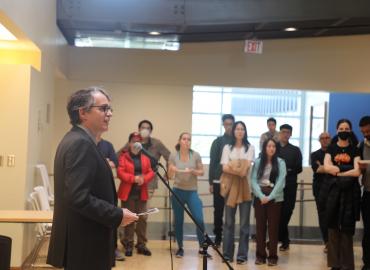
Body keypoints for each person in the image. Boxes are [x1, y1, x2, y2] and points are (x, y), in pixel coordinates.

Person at [47, 87, 138, 270]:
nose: (110, 113)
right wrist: (117, 214)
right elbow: (78, 197)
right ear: (83, 113)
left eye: (110, 109)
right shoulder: (80, 143)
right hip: (85, 243)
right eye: (103, 109)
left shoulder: (79, 140)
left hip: (85, 240)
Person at [323, 119, 361, 270]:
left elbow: (357, 171)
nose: (343, 130)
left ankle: (347, 265)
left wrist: (338, 171)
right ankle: (334, 264)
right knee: (332, 228)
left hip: (350, 195)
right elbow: (327, 167)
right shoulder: (331, 148)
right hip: (333, 193)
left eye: (346, 128)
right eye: (341, 128)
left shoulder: (355, 150)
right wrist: (347, 170)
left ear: (350, 131)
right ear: (337, 130)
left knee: (346, 230)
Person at [168, 132, 210, 258]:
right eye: (184, 139)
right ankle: (180, 247)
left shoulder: (195, 155)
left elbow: (201, 172)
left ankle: (202, 247)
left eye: (189, 139)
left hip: (192, 191)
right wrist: (172, 170)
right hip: (177, 191)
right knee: (179, 221)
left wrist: (193, 171)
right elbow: (169, 176)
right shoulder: (173, 155)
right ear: (179, 141)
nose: (187, 141)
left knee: (199, 219)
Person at [220, 121, 255, 264]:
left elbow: (245, 170)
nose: (240, 131)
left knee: (244, 224)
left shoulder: (250, 147)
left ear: (245, 132)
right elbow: (224, 168)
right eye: (237, 129)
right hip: (230, 187)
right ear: (233, 131)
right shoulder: (227, 147)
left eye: (242, 129)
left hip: (246, 187)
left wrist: (233, 165)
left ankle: (242, 255)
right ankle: (227, 254)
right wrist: (238, 167)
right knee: (228, 222)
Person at [117, 132, 155, 257]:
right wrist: (134, 179)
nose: (135, 143)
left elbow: (151, 172)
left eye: (138, 141)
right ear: (129, 143)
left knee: (143, 218)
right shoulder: (124, 157)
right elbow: (120, 173)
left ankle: (141, 244)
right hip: (128, 194)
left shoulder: (146, 158)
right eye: (133, 141)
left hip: (142, 193)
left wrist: (144, 178)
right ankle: (128, 244)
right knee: (130, 219)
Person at [251, 138, 286, 266]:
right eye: (269, 146)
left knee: (273, 228)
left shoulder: (281, 162)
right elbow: (253, 180)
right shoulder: (258, 162)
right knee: (260, 227)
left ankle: (273, 256)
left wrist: (269, 197)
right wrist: (261, 196)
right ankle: (260, 255)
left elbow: (281, 182)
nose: (271, 148)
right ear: (264, 148)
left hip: (275, 198)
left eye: (273, 146)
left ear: (276, 149)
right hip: (260, 197)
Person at [117, 119, 170, 198]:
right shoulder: (132, 142)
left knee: (145, 209)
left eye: (148, 128)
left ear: (151, 131)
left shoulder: (157, 143)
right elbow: (118, 155)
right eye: (143, 128)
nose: (145, 130)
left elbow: (169, 157)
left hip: (149, 182)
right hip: (131, 182)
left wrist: (167, 174)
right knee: (131, 209)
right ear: (139, 130)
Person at [97, 135, 125, 261]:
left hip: (106, 186)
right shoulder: (85, 143)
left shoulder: (107, 145)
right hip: (91, 187)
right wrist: (105, 161)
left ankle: (113, 249)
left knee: (111, 217)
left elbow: (115, 163)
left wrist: (105, 162)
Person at [208, 114, 235, 246]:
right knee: (218, 211)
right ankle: (218, 237)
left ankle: (229, 238)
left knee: (231, 212)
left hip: (234, 182)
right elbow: (213, 162)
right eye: (226, 124)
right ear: (223, 125)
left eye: (231, 124)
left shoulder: (238, 141)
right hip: (218, 181)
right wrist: (211, 182)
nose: (229, 126)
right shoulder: (217, 141)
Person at [277, 124, 302, 251]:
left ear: (291, 134)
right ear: (279, 133)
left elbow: (299, 168)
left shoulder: (295, 150)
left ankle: (279, 238)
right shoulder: (273, 147)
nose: (285, 134)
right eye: (283, 132)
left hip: (290, 186)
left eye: (288, 132)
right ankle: (284, 241)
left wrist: (285, 170)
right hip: (275, 187)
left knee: (286, 213)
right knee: (276, 214)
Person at [310, 132, 331, 252]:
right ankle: (327, 242)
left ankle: (334, 242)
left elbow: (337, 169)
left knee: (333, 216)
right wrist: (329, 167)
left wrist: (323, 166)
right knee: (322, 216)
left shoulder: (334, 152)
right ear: (319, 140)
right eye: (322, 138)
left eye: (327, 138)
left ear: (330, 139)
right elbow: (317, 169)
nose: (325, 140)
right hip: (319, 189)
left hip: (334, 187)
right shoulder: (314, 154)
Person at [358, 116, 370, 270]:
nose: (366, 134)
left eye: (368, 131)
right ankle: (367, 262)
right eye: (363, 132)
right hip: (368, 193)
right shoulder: (361, 146)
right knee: (368, 231)